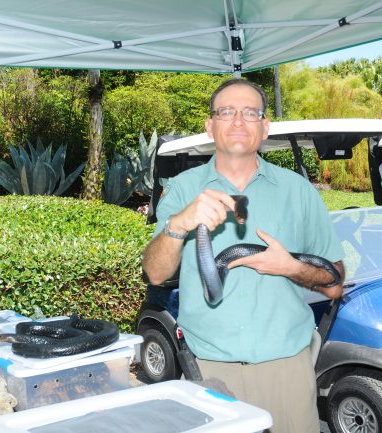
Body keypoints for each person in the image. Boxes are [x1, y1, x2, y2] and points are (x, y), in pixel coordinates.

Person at [142, 78, 345, 433]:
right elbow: (155, 274)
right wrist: (179, 224)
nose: (238, 121)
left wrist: (291, 267)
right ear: (210, 126)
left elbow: (335, 283)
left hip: (287, 371)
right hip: (209, 369)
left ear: (265, 126)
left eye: (250, 113)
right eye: (227, 112)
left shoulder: (298, 191)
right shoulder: (182, 189)